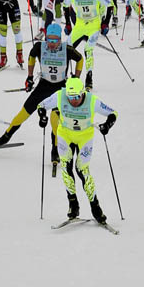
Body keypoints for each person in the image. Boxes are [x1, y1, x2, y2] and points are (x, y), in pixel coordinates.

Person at [0, 22, 83, 166]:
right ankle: (5, 137)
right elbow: (31, 57)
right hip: (43, 85)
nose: (51, 44)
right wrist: (30, 77)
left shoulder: (67, 49)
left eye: (54, 40)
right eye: (49, 40)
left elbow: (80, 59)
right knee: (23, 112)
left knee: (55, 120)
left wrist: (76, 78)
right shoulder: (39, 47)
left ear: (59, 40)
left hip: (60, 88)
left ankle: (55, 149)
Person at [38, 75, 117, 225]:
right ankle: (73, 205)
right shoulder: (60, 95)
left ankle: (96, 207)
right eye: (70, 97)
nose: (73, 100)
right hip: (65, 135)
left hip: (84, 137)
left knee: (82, 169)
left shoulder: (91, 100)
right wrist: (43, 117)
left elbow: (113, 113)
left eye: (76, 97)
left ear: (82, 93)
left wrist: (107, 125)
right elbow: (41, 106)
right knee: (66, 168)